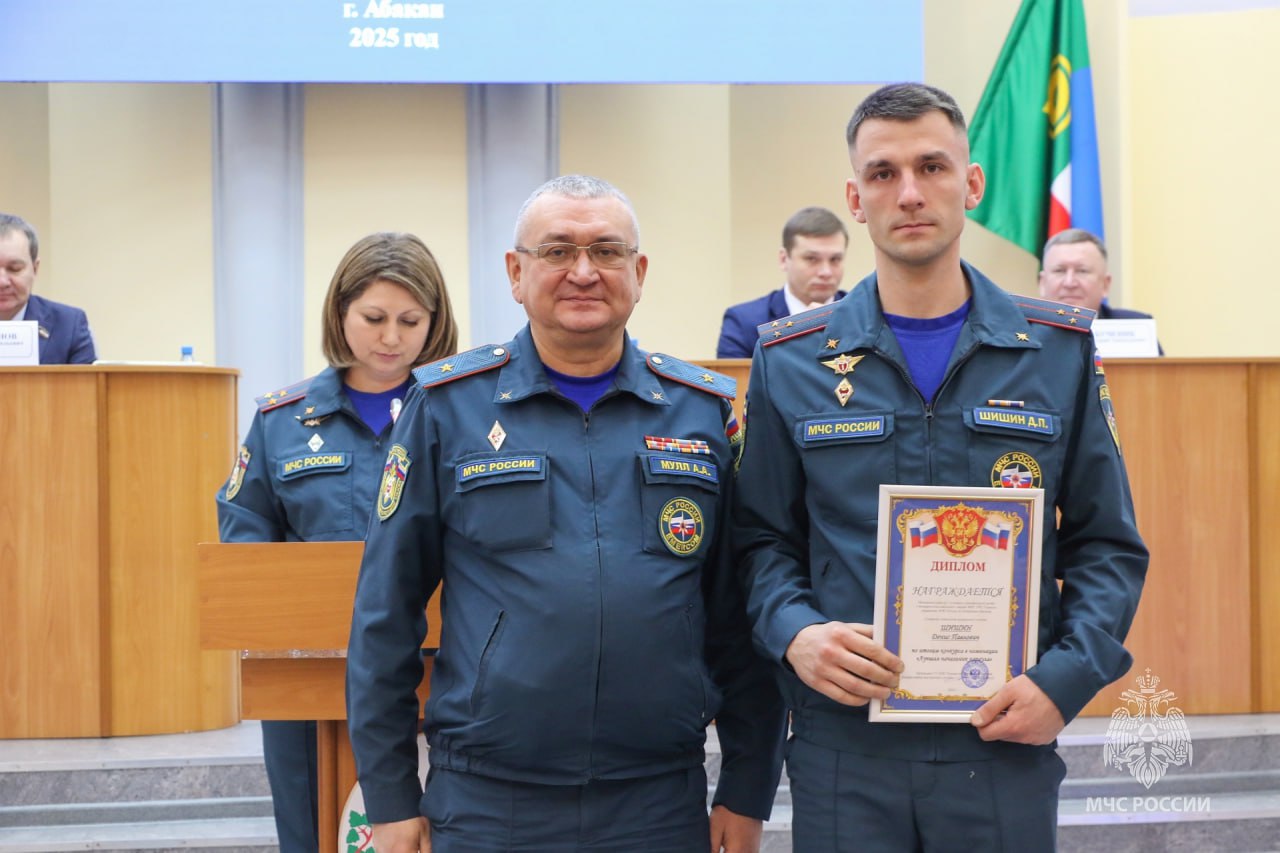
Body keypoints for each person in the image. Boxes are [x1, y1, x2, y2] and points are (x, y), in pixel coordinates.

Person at [733, 84, 1148, 851]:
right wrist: (796, 633)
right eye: (884, 174)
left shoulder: (1056, 350)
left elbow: (1107, 546)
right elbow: (759, 541)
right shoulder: (791, 358)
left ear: (973, 183)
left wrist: (1064, 681)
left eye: (932, 166)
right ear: (855, 199)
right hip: (843, 744)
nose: (911, 192)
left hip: (999, 740)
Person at [346, 174, 785, 853]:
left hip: (659, 800)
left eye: (606, 251)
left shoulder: (703, 412)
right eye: (556, 251)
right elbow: (385, 614)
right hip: (489, 801)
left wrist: (747, 784)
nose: (583, 270)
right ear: (516, 273)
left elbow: (739, 614)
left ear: (638, 273)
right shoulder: (448, 408)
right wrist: (391, 795)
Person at [216, 232, 458, 853]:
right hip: (311, 674)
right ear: (340, 314)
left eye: (411, 321)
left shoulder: (462, 412)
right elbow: (245, 537)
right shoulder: (282, 420)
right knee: (311, 831)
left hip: (439, 673)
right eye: (373, 318)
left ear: (434, 323)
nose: (391, 338)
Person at [716, 206, 849, 358]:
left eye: (835, 259)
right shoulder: (743, 321)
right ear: (784, 259)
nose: (826, 272)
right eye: (812, 259)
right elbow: (738, 381)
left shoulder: (864, 316)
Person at [0, 213, 96, 363]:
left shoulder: (69, 325)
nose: (2, 282)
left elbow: (86, 386)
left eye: (14, 268)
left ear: (35, 268)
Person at [1038, 227, 1153, 319]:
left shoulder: (1136, 326)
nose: (1069, 283)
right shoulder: (1023, 330)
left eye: (1082, 271)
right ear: (1042, 283)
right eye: (1060, 271)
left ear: (1105, 284)